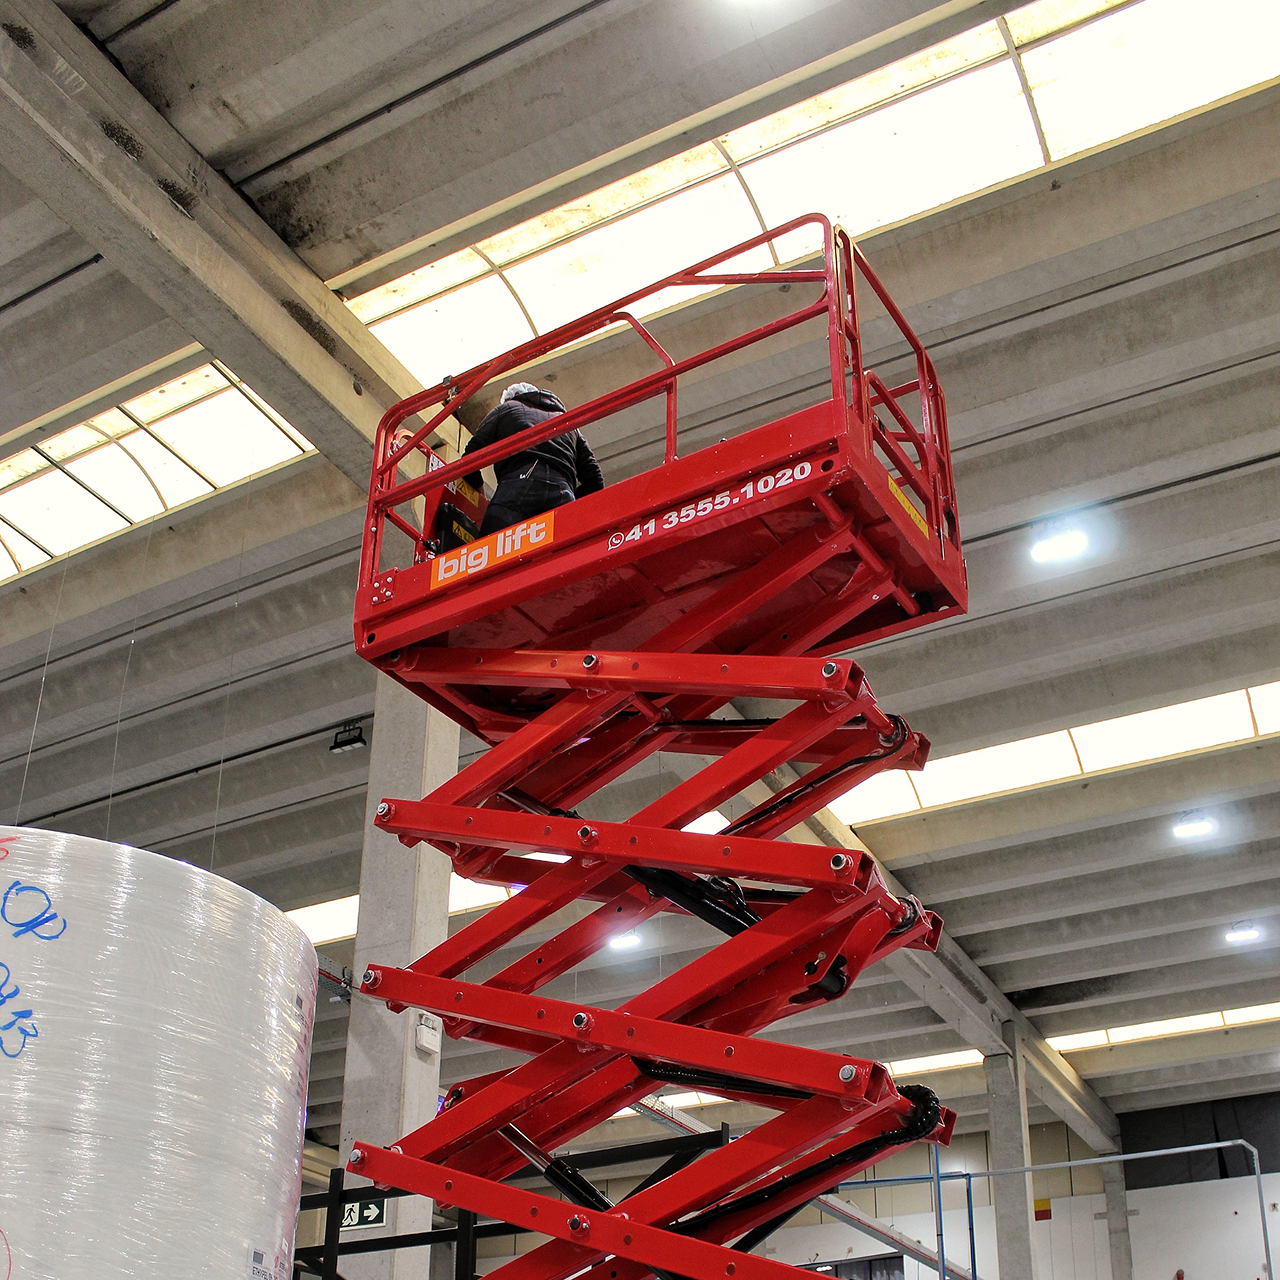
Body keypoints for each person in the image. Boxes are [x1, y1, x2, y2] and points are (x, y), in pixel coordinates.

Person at [462, 383, 604, 537]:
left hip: (517, 488)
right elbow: (595, 481)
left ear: (512, 397)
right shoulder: (569, 424)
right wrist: (571, 500)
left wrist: (478, 486)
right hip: (562, 493)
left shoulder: (507, 408)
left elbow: (470, 456)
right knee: (560, 556)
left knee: (491, 549)